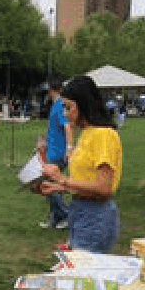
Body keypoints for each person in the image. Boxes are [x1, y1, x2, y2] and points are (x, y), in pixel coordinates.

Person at [38, 75, 122, 253]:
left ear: (83, 104)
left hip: (95, 215)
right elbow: (86, 179)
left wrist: (62, 179)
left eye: (68, 107)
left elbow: (103, 187)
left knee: (84, 273)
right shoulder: (87, 133)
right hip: (81, 211)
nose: (65, 114)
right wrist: (57, 188)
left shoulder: (103, 135)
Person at [40, 78, 73, 229]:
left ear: (52, 90)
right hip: (52, 150)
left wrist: (69, 148)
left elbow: (67, 127)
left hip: (57, 152)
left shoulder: (60, 105)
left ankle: (66, 215)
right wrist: (45, 142)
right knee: (50, 185)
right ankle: (55, 218)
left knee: (52, 186)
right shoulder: (55, 104)